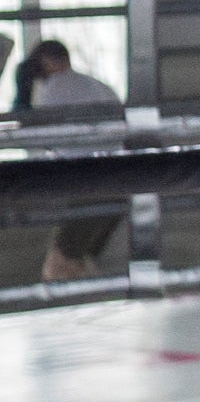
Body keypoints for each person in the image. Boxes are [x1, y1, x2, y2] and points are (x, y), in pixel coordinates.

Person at [15, 40, 126, 281]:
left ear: (50, 61)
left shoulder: (55, 88)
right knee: (82, 251)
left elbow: (35, 136)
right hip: (118, 172)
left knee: (62, 258)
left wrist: (21, 97)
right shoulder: (97, 85)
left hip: (84, 173)